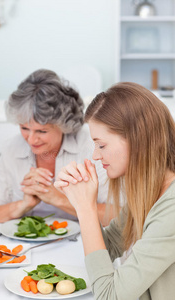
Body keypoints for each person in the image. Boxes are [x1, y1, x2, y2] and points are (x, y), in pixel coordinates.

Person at [54, 82, 175, 300]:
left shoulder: (172, 207)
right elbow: (108, 247)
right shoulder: (152, 189)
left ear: (137, 139)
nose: (95, 156)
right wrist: (81, 201)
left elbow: (109, 296)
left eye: (101, 145)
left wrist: (85, 208)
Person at [0, 69, 108, 223]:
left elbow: (119, 216)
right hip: (26, 246)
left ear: (63, 125)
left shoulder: (91, 147)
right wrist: (23, 205)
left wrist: (57, 198)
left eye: (42, 131)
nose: (31, 140)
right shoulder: (12, 149)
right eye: (25, 128)